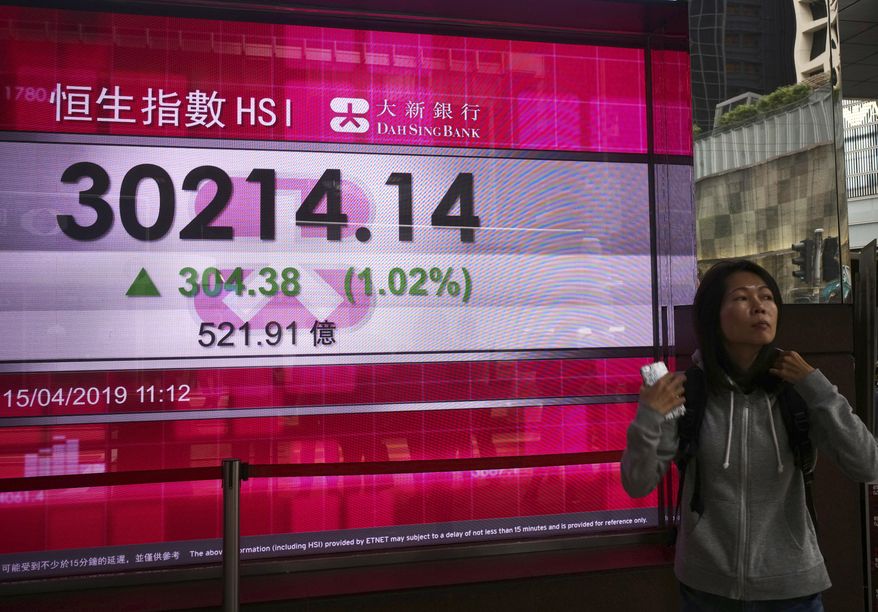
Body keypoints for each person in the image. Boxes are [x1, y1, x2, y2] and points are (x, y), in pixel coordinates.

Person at [621, 259, 878, 611]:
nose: (760, 306)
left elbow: (868, 465)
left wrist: (817, 387)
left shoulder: (798, 390)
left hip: (792, 591)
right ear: (713, 315)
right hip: (707, 591)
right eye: (742, 297)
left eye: (767, 297)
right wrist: (649, 416)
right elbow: (637, 483)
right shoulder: (686, 392)